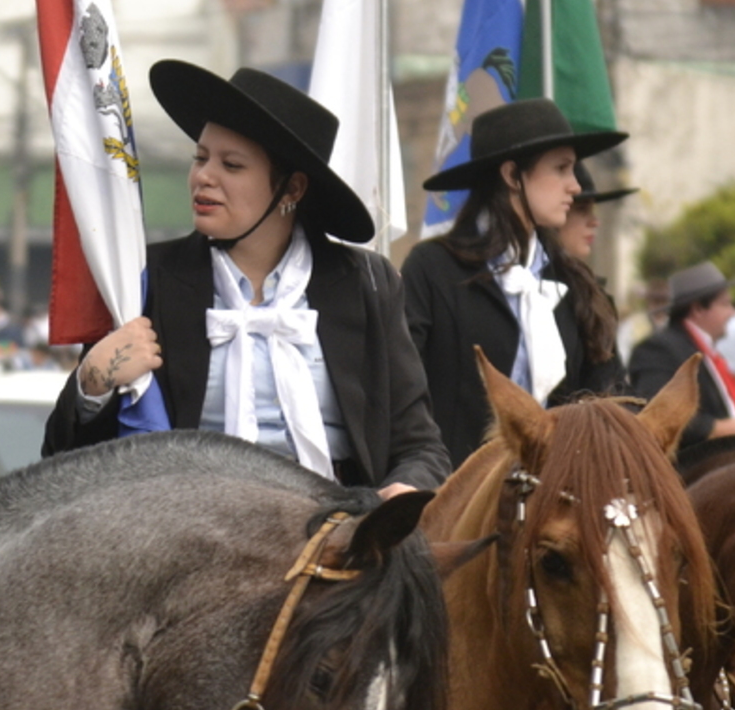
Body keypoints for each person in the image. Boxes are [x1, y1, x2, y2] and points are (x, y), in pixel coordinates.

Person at [42, 63, 450, 496]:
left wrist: (401, 491)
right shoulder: (147, 281)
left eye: (232, 165)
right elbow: (63, 460)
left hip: (338, 535)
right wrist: (93, 383)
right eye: (200, 158)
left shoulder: (365, 283)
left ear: (292, 189)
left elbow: (421, 446)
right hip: (192, 536)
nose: (204, 176)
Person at [402, 99, 628, 467]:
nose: (575, 186)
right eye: (561, 168)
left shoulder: (577, 284)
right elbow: (403, 394)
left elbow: (611, 399)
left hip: (557, 501)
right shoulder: (434, 269)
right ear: (511, 175)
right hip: (457, 500)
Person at [629, 261, 735, 449]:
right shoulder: (658, 349)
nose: (733, 313)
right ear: (698, 309)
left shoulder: (702, 349)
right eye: (725, 304)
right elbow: (657, 412)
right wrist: (714, 428)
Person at [553, 161, 634, 265]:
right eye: (581, 209)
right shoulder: (532, 278)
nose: (595, 222)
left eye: (592, 210)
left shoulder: (576, 278)